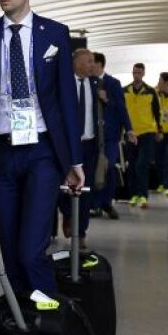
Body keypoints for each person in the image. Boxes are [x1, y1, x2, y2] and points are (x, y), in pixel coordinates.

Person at [0, 0, 83, 297]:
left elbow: (66, 100)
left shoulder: (55, 33)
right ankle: (20, 319)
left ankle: (48, 315)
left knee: (30, 249)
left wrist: (73, 160)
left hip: (42, 152)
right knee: (9, 249)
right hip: (2, 152)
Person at [59, 48, 98, 248]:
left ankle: (81, 231)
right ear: (77, 63)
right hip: (66, 146)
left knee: (86, 191)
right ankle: (67, 214)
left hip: (89, 146)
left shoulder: (99, 85)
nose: (94, 65)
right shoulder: (63, 84)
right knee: (63, 188)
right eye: (89, 61)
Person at [90, 52, 127, 219]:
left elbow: (121, 108)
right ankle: (95, 204)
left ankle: (107, 202)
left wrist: (129, 129)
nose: (90, 66)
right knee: (94, 169)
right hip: (93, 135)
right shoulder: (87, 83)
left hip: (110, 136)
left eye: (93, 63)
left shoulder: (113, 83)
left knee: (109, 167)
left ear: (100, 65)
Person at [123, 63, 162, 208]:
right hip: (131, 133)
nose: (136, 75)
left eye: (139, 72)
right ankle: (133, 195)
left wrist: (159, 130)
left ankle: (143, 195)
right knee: (132, 165)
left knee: (142, 164)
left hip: (147, 132)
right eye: (135, 72)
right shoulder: (125, 90)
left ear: (143, 74)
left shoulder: (151, 91)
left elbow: (157, 112)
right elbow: (121, 112)